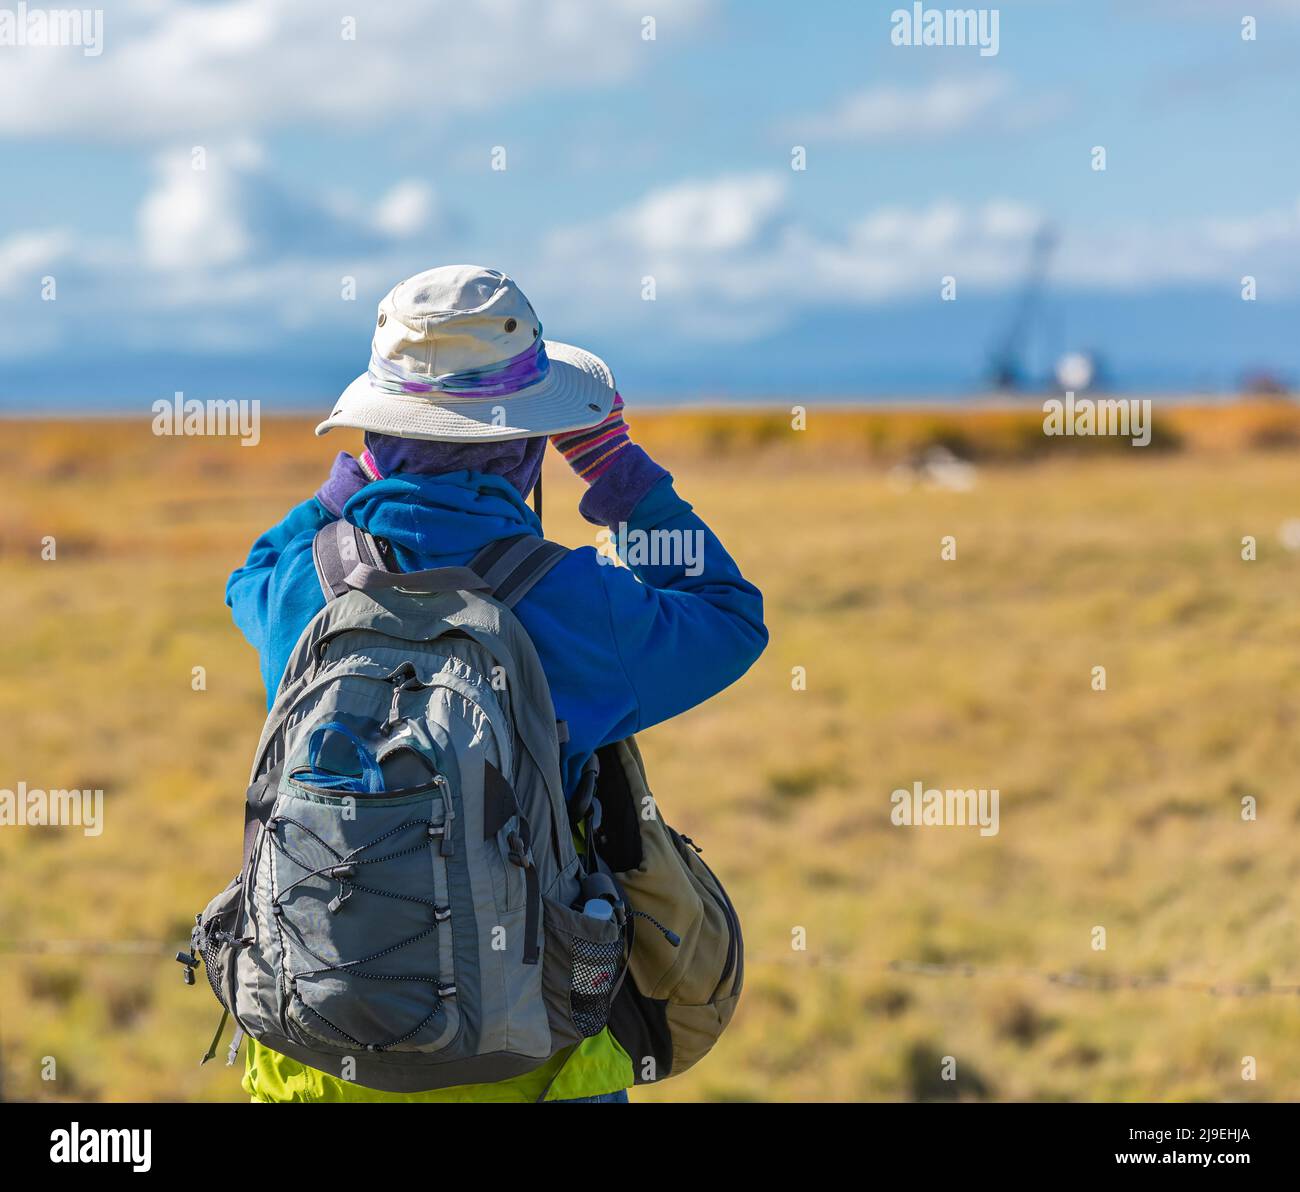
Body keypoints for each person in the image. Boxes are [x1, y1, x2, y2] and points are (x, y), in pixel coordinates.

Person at [225, 265, 767, 1102]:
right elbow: (727, 616)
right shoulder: (573, 602)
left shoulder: (304, 582)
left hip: (315, 1057)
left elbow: (250, 569)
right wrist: (618, 469)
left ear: (378, 428)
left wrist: (350, 484)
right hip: (531, 1062)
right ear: (528, 450)